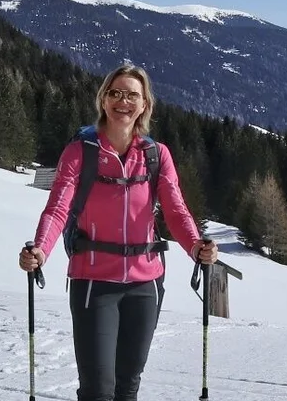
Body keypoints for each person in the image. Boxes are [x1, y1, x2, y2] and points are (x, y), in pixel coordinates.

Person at [18, 63, 217, 401]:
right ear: (103, 99)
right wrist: (40, 249)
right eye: (115, 93)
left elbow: (175, 208)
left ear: (144, 105)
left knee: (128, 386)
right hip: (93, 282)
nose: (123, 101)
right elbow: (58, 207)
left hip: (146, 283)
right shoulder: (80, 152)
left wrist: (197, 245)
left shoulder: (156, 155)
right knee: (98, 390)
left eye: (132, 96)